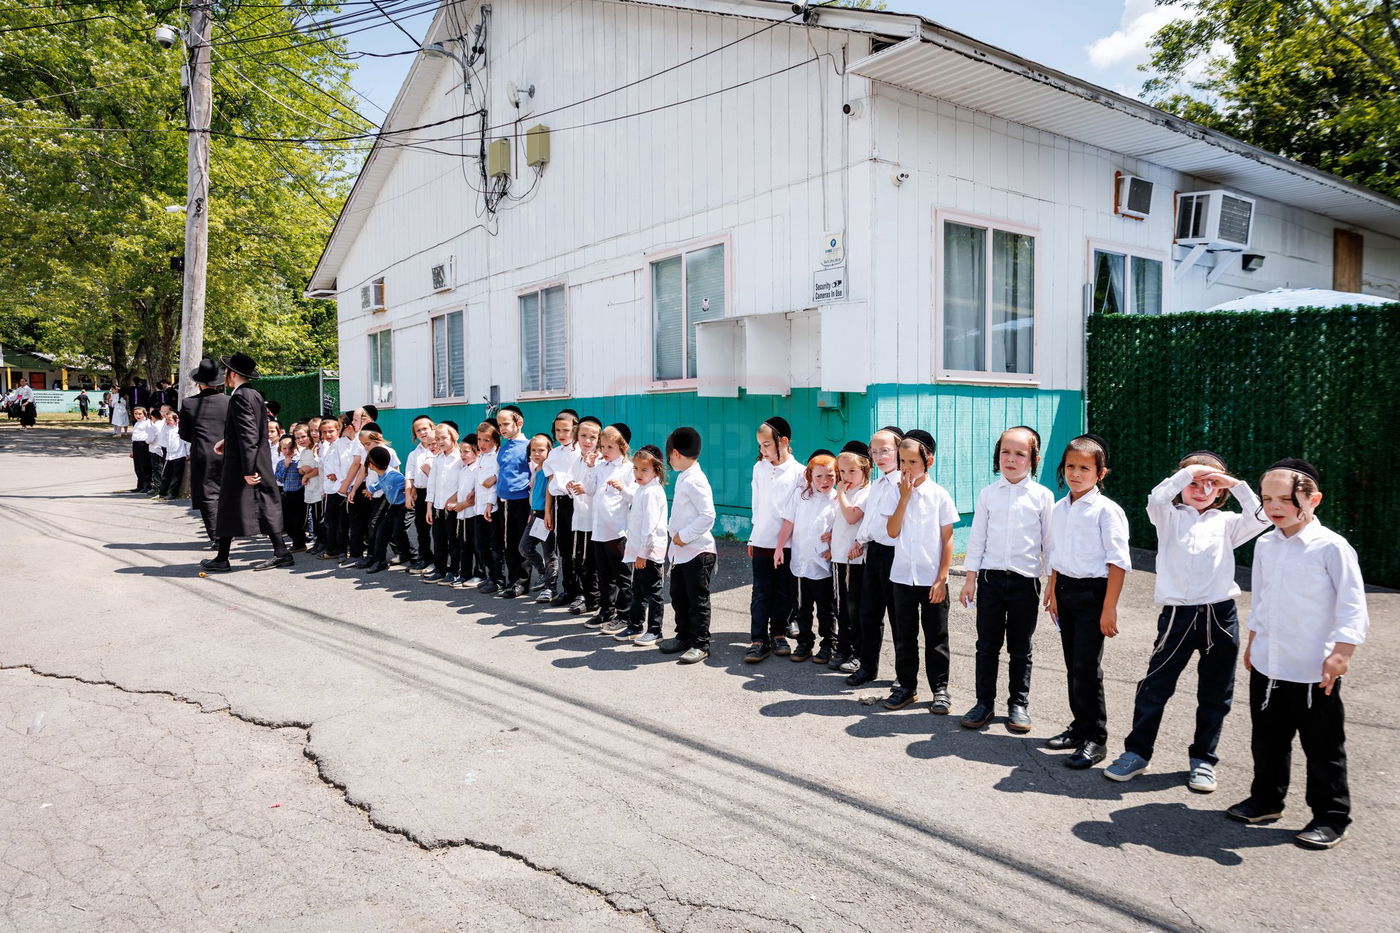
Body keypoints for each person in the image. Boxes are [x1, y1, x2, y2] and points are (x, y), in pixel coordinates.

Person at [1105, 451, 1270, 790]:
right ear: (1181, 484)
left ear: (1220, 491)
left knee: (1216, 692)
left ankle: (1203, 760)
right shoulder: (1168, 516)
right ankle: (1136, 753)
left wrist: (1235, 484)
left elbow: (1263, 517)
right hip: (1178, 617)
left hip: (1220, 615)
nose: (1200, 487)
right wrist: (1192, 471)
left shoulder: (1228, 523)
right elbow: (1156, 497)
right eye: (1193, 481)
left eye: (1210, 484)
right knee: (1155, 686)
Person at [1226, 459, 1368, 850]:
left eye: (1286, 499)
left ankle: (1331, 816)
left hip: (1312, 667)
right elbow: (1262, 599)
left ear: (1313, 499)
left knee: (1322, 746)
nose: (1274, 506)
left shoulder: (1331, 547)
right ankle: (1267, 800)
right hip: (1270, 663)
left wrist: (1342, 653)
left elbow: (1352, 605)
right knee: (1267, 739)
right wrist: (1254, 642)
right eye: (1267, 498)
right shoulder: (1266, 544)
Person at [958, 426, 1055, 734]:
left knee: (1020, 647)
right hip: (989, 581)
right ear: (997, 456)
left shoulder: (1043, 496)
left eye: (1020, 454)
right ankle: (983, 703)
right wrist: (970, 578)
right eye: (1005, 452)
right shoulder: (989, 494)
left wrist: (1051, 584)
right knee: (986, 645)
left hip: (1026, 583)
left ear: (1033, 459)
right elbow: (977, 539)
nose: (1011, 459)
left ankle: (1018, 704)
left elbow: (1050, 545)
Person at [1043, 434, 1132, 769]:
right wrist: (1052, 589)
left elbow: (1118, 562)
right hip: (1065, 590)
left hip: (1094, 594)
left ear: (1101, 473)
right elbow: (1056, 553)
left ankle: (1096, 738)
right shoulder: (1059, 507)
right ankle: (1078, 728)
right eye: (1070, 466)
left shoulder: (1107, 512)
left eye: (1084, 468)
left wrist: (1109, 608)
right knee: (1073, 665)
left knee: (1087, 667)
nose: (1075, 474)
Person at [880, 431, 958, 712]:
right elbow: (891, 531)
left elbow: (947, 539)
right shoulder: (895, 492)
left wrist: (941, 578)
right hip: (902, 576)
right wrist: (903, 498)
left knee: (936, 636)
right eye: (902, 461)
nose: (906, 467)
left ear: (929, 461)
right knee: (904, 634)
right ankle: (906, 686)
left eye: (913, 461)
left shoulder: (939, 495)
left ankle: (940, 689)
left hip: (931, 579)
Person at [201, 352, 291, 573]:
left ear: (232, 374)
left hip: (245, 463)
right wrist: (227, 441)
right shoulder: (253, 394)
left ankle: (227, 558)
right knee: (256, 505)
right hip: (254, 459)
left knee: (234, 506)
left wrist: (248, 469)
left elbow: (250, 434)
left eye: (226, 371)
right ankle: (279, 552)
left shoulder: (240, 396)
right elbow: (251, 431)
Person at [847, 427, 905, 686]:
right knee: (869, 613)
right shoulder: (879, 483)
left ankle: (903, 676)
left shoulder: (903, 483)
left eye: (885, 450)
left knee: (898, 617)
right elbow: (871, 519)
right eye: (875, 451)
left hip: (897, 554)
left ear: (899, 451)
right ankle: (868, 667)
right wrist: (860, 540)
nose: (879, 456)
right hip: (875, 554)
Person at [745, 417, 805, 664]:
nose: (762, 451)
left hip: (788, 544)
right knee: (760, 592)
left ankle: (779, 634)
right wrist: (752, 536)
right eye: (760, 446)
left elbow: (798, 511)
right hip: (761, 540)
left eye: (767, 445)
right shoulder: (759, 468)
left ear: (783, 442)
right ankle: (758, 640)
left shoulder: (800, 472)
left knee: (783, 592)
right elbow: (756, 504)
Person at [775, 450, 839, 663]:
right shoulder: (800, 497)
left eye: (830, 475)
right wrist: (779, 548)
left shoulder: (839, 501)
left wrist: (835, 544)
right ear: (810, 476)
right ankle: (804, 643)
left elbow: (845, 529)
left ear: (837, 475)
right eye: (819, 476)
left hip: (822, 565)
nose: (825, 480)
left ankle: (828, 644)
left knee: (825, 609)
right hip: (799, 564)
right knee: (801, 607)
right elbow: (788, 522)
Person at [660, 427, 716, 664]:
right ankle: (683, 636)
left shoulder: (695, 479)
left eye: (668, 456)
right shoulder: (685, 475)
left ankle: (700, 643)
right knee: (679, 597)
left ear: (675, 453)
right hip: (681, 553)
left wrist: (684, 535)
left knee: (697, 600)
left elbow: (708, 515)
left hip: (697, 551)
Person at [618, 444, 669, 645]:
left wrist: (643, 553)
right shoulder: (642, 489)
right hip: (640, 551)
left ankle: (655, 630)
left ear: (656, 470)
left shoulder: (652, 492)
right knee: (638, 591)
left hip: (648, 552)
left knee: (653, 592)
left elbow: (650, 525)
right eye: (636, 469)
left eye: (644, 469)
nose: (638, 473)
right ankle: (635, 626)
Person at [590, 424, 636, 632]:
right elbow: (591, 490)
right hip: (599, 529)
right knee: (603, 573)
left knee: (622, 575)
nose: (604, 451)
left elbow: (635, 496)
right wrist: (590, 467)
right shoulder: (601, 466)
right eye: (602, 446)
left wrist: (623, 488)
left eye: (609, 447)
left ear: (622, 447)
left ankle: (624, 614)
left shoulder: (627, 468)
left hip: (617, 531)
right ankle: (605, 610)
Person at [830, 441, 871, 674]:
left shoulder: (866, 492)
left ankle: (858, 652)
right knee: (840, 606)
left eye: (852, 471)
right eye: (842, 471)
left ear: (865, 469)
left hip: (857, 560)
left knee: (856, 608)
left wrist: (841, 494)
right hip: (838, 556)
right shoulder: (846, 492)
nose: (846, 476)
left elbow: (852, 517)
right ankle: (842, 648)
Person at [179, 358, 229, 544]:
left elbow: (184, 433)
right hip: (228, 452)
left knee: (208, 494)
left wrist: (200, 441)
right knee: (227, 492)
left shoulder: (188, 403)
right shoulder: (229, 402)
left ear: (199, 383)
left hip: (202, 453)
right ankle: (227, 532)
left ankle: (216, 536)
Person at [493, 405, 533, 597]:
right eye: (500, 425)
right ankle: (512, 580)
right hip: (504, 501)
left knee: (520, 544)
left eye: (506, 424)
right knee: (508, 543)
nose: (502, 428)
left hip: (522, 501)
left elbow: (533, 473)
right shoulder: (503, 446)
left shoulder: (528, 446)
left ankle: (522, 582)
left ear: (519, 423)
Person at [565, 416, 603, 616]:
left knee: (591, 563)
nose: (587, 441)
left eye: (593, 437)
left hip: (592, 520)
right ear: (576, 437)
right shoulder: (577, 460)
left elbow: (598, 488)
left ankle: (593, 599)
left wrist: (585, 487)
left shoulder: (599, 461)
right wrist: (571, 487)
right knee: (578, 559)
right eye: (583, 436)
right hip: (578, 518)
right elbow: (573, 483)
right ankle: (585, 595)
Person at [543, 410, 581, 607]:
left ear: (575, 429)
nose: (562, 434)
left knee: (579, 548)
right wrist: (548, 511)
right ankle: (569, 589)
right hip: (561, 503)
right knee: (564, 548)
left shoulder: (582, 451)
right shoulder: (554, 454)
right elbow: (550, 484)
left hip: (579, 503)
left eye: (566, 430)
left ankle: (582, 592)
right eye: (558, 430)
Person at [358, 446, 413, 574]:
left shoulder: (394, 477)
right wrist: (371, 489)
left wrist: (408, 495)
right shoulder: (383, 473)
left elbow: (404, 482)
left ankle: (413, 557)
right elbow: (380, 483)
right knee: (382, 532)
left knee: (398, 532)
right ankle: (380, 561)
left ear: (371, 464)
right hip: (393, 506)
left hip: (403, 507)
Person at [520, 433, 558, 602]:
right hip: (535, 514)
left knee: (549, 553)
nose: (537, 453)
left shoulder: (549, 469)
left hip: (546, 514)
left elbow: (549, 491)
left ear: (549, 451)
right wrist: (530, 513)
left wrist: (548, 513)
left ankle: (550, 588)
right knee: (524, 547)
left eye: (541, 450)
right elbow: (534, 494)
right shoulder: (535, 469)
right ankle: (543, 573)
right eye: (533, 450)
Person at [425, 423, 463, 585]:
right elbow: (431, 484)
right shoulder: (438, 459)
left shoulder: (460, 458)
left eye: (444, 438)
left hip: (453, 508)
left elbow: (464, 482)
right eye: (437, 439)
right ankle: (440, 569)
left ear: (454, 437)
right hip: (438, 507)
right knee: (439, 540)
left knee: (454, 541)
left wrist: (455, 498)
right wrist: (429, 507)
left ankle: (454, 571)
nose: (440, 442)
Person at [472, 421, 504, 592]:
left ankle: (498, 579)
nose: (482, 444)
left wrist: (490, 503)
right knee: (480, 545)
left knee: (494, 546)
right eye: (480, 440)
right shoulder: (482, 457)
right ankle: (491, 574)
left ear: (495, 440)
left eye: (486, 440)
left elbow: (494, 483)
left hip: (490, 509)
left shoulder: (497, 457)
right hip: (478, 507)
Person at [404, 415, 436, 573]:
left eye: (425, 428)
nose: (422, 432)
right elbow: (409, 476)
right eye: (418, 430)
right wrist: (409, 495)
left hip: (437, 494)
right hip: (422, 493)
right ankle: (426, 558)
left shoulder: (438, 449)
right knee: (421, 528)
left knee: (438, 529)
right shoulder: (414, 454)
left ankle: (440, 561)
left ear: (432, 428)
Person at [296, 424, 324, 554]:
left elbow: (319, 468)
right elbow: (300, 468)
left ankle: (322, 541)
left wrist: (307, 475)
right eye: (298, 438)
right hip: (310, 490)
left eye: (303, 436)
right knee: (314, 516)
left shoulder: (316, 449)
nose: (301, 440)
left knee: (320, 518)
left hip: (319, 488)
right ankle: (319, 541)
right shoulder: (304, 451)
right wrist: (303, 471)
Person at [157, 411, 189, 500]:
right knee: (166, 475)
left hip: (179, 455)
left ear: (176, 420)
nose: (167, 421)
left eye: (169, 419)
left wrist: (188, 453)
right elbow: (163, 441)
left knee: (176, 476)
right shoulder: (166, 429)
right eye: (166, 419)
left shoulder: (180, 429)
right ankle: (162, 492)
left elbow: (186, 442)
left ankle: (173, 493)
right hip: (169, 455)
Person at [128, 407, 156, 493]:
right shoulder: (136, 423)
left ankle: (147, 485)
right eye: (136, 414)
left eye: (140, 414)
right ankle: (140, 485)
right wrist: (132, 450)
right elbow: (134, 437)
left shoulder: (148, 423)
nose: (138, 416)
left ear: (144, 413)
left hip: (144, 444)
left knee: (145, 466)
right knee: (138, 466)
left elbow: (151, 434)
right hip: (136, 444)